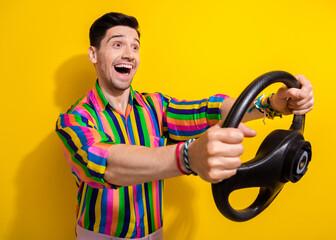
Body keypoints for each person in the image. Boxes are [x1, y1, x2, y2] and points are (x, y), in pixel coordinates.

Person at [55, 12, 314, 240]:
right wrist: (188, 157)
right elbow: (105, 164)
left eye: (135, 47)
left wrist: (270, 104)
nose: (129, 54)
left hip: (155, 234)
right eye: (118, 44)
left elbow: (207, 111)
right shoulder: (73, 121)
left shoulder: (155, 106)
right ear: (93, 53)